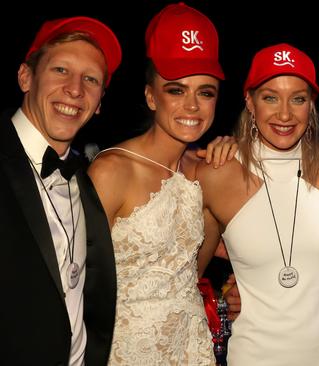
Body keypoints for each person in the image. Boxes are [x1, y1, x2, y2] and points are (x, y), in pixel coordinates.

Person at [196, 42, 319, 366]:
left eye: (298, 99)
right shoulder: (218, 174)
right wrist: (223, 297)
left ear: (311, 104)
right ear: (250, 100)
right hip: (257, 356)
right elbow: (189, 276)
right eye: (270, 97)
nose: (285, 114)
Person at [87, 3, 223, 364]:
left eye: (205, 92)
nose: (192, 105)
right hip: (125, 350)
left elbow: (194, 271)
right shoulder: (112, 170)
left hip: (191, 347)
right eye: (176, 90)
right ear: (151, 96)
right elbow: (73, 285)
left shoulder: (203, 171)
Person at [0, 16, 121, 365]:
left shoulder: (90, 180)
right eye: (61, 71)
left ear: (99, 102)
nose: (75, 90)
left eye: (91, 79)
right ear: (26, 76)